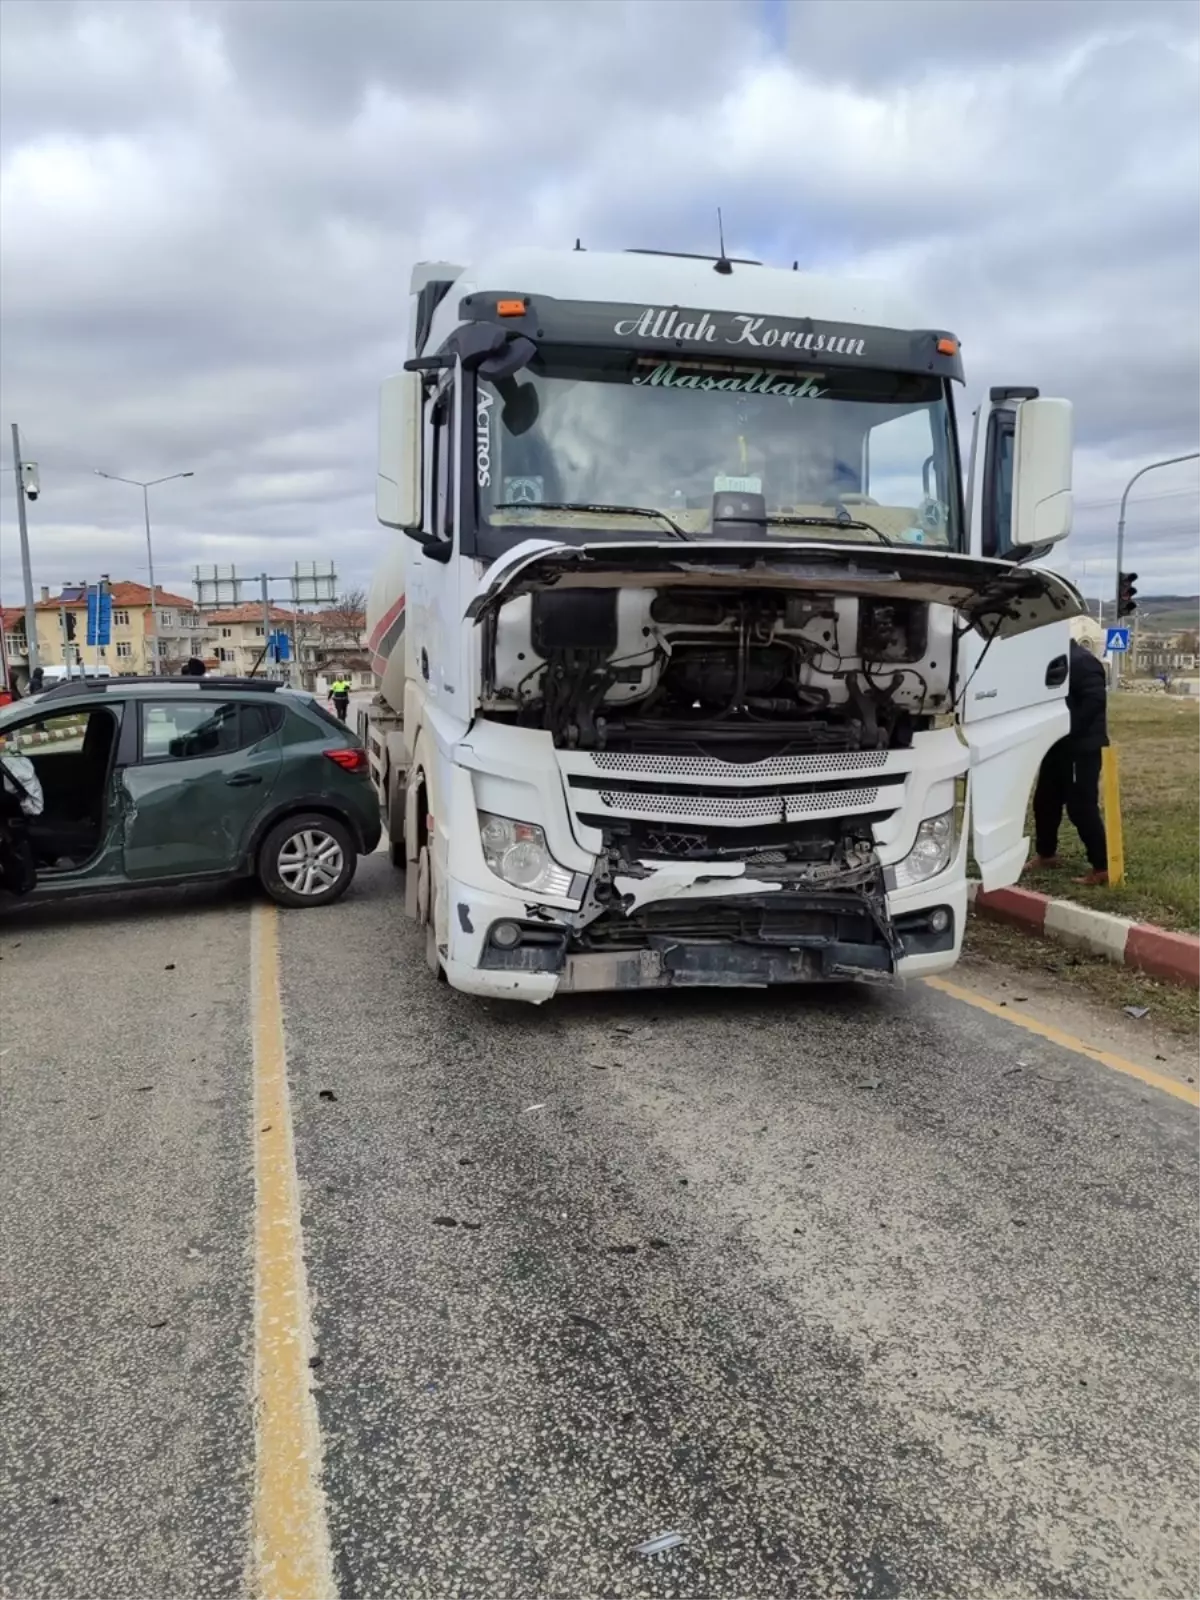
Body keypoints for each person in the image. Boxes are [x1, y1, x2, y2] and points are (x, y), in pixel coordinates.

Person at [1030, 638, 1109, 884]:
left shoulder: (1082, 662)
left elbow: (1095, 702)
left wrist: (1066, 728)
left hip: (1081, 748)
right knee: (1045, 802)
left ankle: (1102, 867)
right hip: (1055, 746)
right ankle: (1046, 855)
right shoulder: (1053, 661)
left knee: (1081, 807)